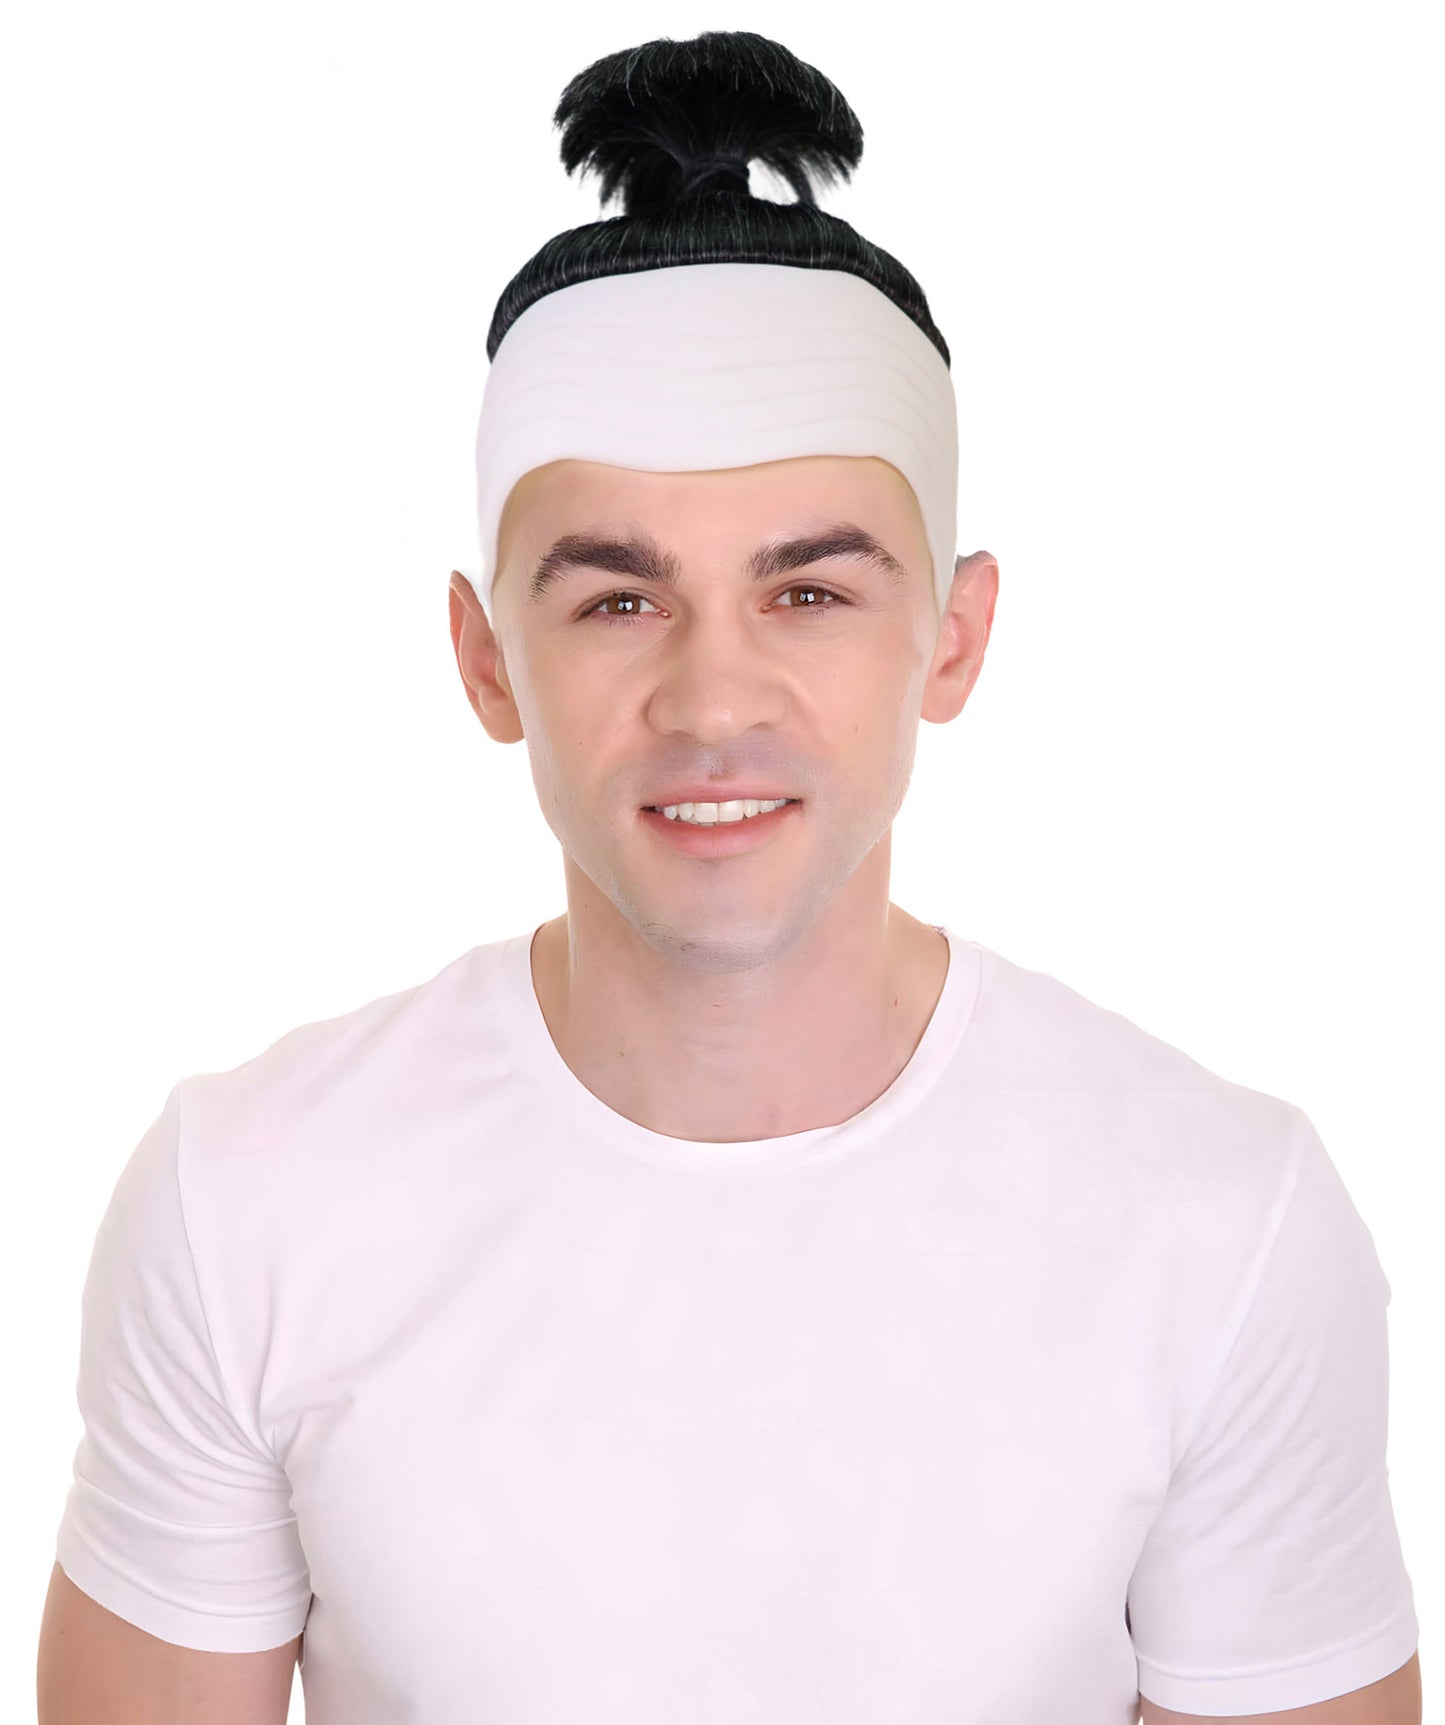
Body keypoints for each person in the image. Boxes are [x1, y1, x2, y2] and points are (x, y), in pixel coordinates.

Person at [38, 30, 1420, 1725]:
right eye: (616, 599)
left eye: (808, 592)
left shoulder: (1219, 1222)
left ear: (953, 637)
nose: (709, 701)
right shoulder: (246, 1200)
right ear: (485, 658)